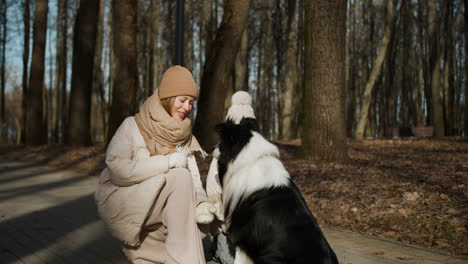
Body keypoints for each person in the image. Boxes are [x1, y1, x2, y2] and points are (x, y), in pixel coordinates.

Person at [95, 65, 217, 264]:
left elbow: (194, 180)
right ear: (168, 98)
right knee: (179, 176)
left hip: (163, 206)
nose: (187, 107)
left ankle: (149, 254)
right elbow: (117, 168)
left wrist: (202, 202)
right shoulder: (132, 125)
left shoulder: (185, 136)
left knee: (190, 204)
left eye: (191, 102)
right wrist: (166, 162)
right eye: (183, 100)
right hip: (127, 200)